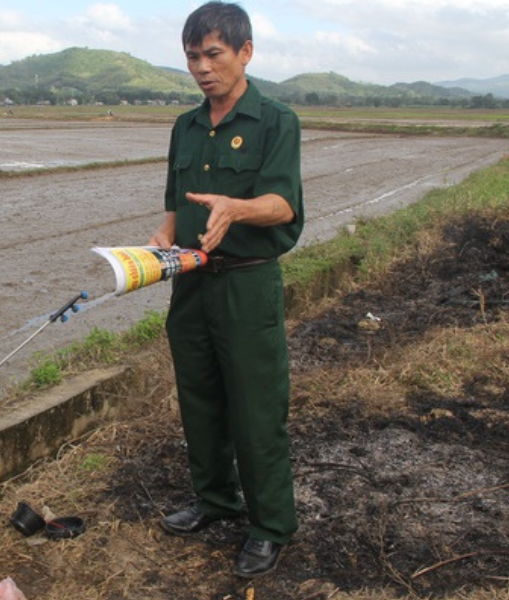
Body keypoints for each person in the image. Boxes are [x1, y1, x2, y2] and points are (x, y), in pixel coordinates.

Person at [147, 1, 304, 579]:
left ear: (245, 52)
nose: (202, 67)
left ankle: (270, 526)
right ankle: (215, 500)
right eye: (192, 56)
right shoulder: (185, 126)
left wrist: (237, 208)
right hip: (190, 282)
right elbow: (174, 200)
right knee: (201, 399)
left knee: (257, 409)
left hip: (245, 285)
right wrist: (164, 233)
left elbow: (283, 203)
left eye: (213, 54)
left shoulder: (275, 121)